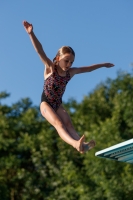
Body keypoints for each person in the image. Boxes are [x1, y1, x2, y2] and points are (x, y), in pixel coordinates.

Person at [23, 20, 114, 154]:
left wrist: (103, 64)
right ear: (58, 58)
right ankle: (75, 144)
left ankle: (82, 145)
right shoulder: (50, 68)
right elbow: (39, 50)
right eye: (67, 61)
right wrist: (31, 34)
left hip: (58, 104)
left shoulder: (70, 73)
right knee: (59, 124)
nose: (69, 64)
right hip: (46, 104)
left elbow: (87, 69)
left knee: (69, 125)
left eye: (71, 62)